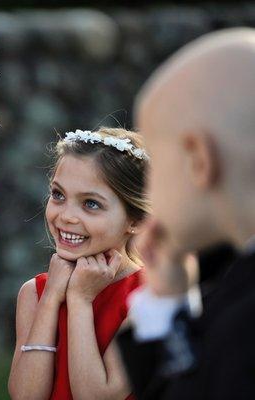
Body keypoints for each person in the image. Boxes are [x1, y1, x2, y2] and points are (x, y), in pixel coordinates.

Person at [117, 28, 255, 400]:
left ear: (198, 160)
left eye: (156, 164)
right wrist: (167, 300)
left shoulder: (244, 326)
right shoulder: (232, 280)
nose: (148, 192)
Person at [8, 127, 150, 400]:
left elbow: (96, 396)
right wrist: (51, 299)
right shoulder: (35, 293)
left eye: (91, 204)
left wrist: (80, 300)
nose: (67, 216)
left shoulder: (146, 298)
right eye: (59, 195)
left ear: (135, 221)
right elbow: (25, 396)